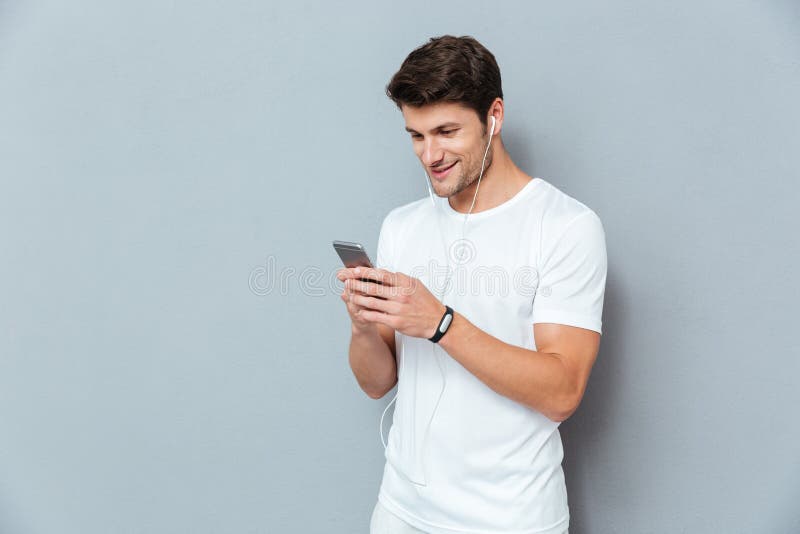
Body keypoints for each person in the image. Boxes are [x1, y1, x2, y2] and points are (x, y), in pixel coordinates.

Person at [337, 35, 607, 534]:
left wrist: (440, 323)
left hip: (510, 518)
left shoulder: (566, 227)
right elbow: (377, 384)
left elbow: (563, 392)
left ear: (494, 116)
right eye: (416, 135)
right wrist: (361, 327)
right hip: (400, 511)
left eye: (445, 131)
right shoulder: (402, 225)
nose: (429, 154)